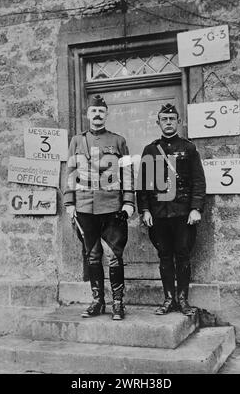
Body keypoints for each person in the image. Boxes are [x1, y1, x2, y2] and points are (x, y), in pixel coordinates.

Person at [64, 95, 135, 320]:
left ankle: (117, 303)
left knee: (114, 256)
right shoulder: (77, 141)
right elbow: (70, 172)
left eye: (101, 112)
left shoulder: (118, 141)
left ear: (106, 115)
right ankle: (97, 301)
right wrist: (69, 202)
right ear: (88, 115)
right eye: (93, 112)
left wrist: (128, 202)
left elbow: (127, 174)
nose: (97, 115)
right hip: (85, 207)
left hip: (112, 206)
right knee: (92, 256)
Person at [137, 103, 206, 316]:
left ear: (178, 121)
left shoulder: (189, 148)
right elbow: (143, 185)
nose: (168, 123)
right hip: (158, 214)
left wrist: (196, 208)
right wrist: (145, 210)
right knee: (165, 256)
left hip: (183, 214)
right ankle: (168, 299)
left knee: (183, 256)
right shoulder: (150, 150)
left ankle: (183, 300)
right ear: (158, 123)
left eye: (172, 119)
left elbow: (198, 181)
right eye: (164, 119)